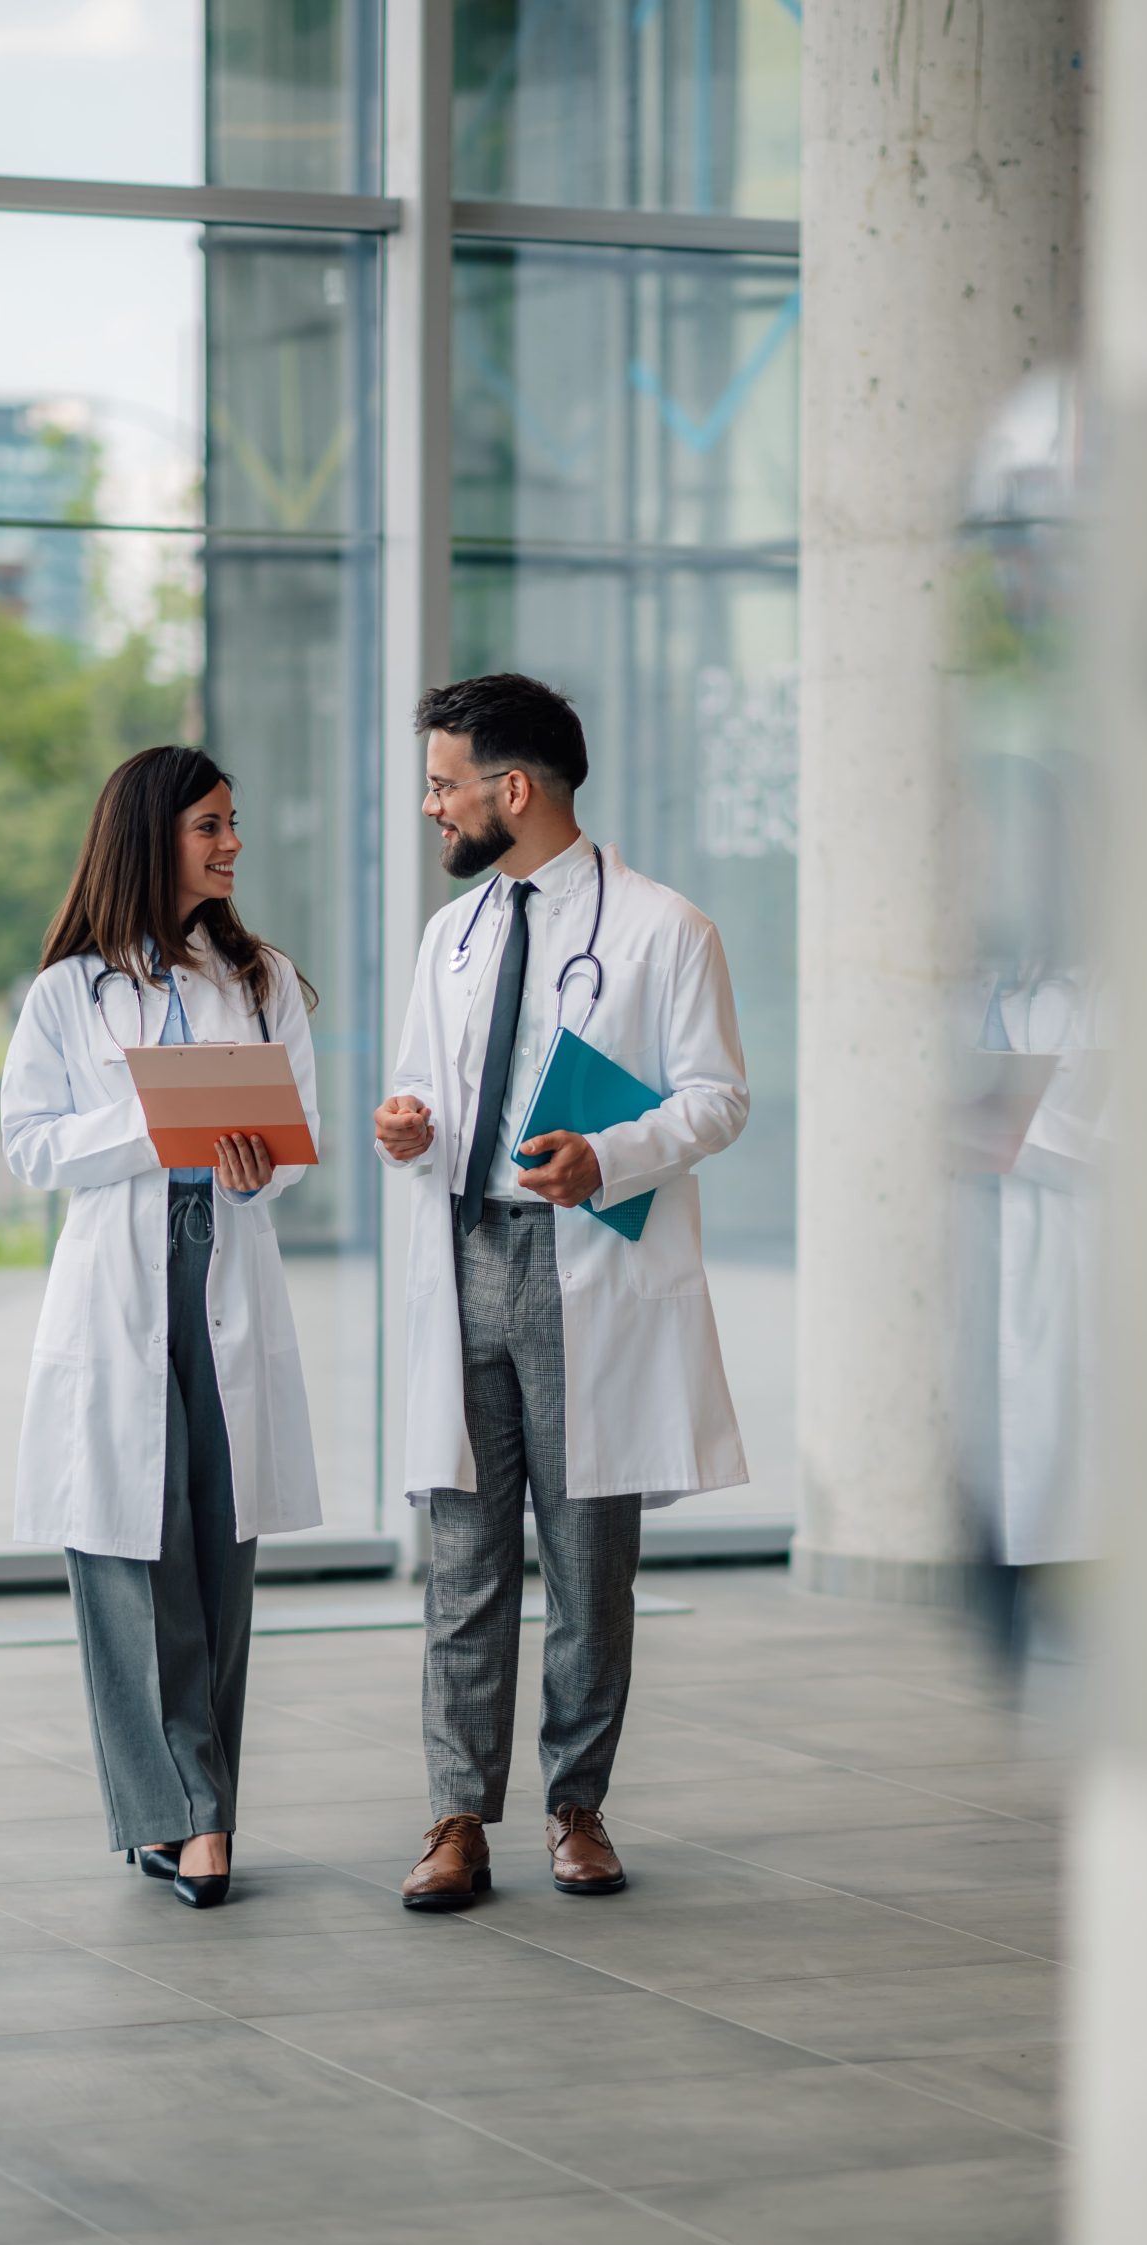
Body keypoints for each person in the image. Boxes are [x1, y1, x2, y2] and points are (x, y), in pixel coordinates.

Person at [375, 673, 748, 1911]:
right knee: (464, 1557)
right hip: (467, 1250)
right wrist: (406, 1124)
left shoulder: (665, 928)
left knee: (589, 1561)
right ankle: (454, 1816)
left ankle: (575, 1803)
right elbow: (425, 1086)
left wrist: (615, 1154)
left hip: (589, 1259)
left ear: (513, 789)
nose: (433, 808)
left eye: (445, 785)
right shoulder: (455, 934)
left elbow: (718, 1097)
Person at [1, 745, 321, 1908]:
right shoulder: (68, 991)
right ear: (151, 836)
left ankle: (193, 1814)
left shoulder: (265, 978)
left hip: (220, 1267)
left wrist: (247, 1167)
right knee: (131, 1561)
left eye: (234, 822)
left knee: (216, 1557)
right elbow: (33, 1143)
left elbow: (296, 1143)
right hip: (117, 1287)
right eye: (210, 826)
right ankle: (190, 1819)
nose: (232, 843)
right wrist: (156, 1121)